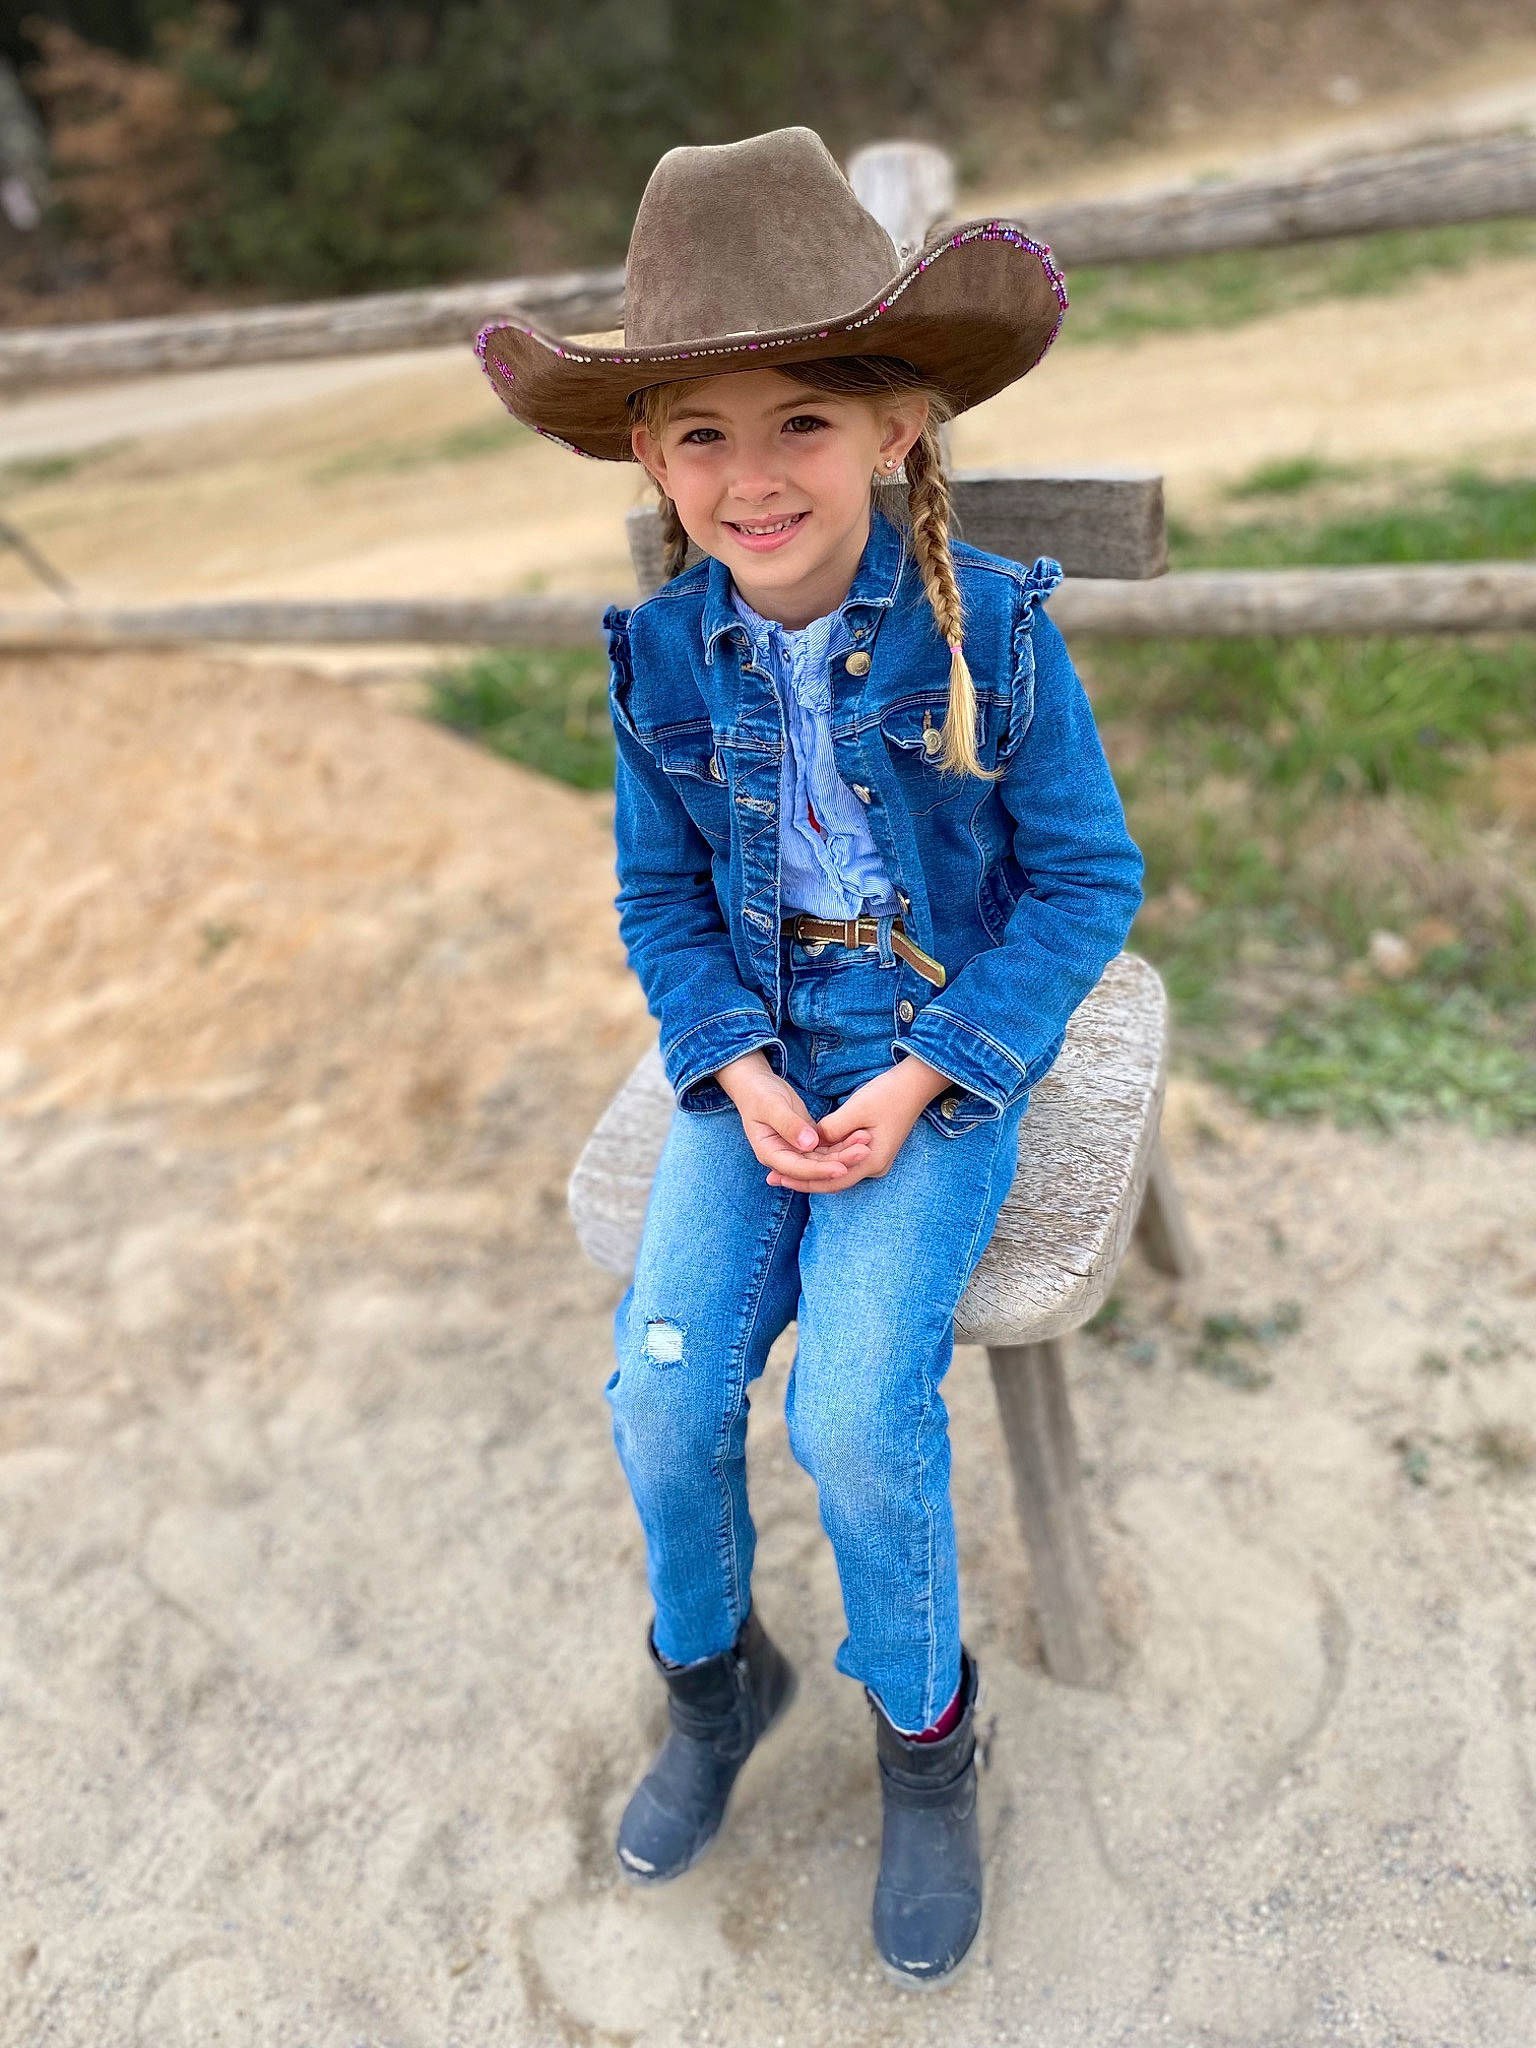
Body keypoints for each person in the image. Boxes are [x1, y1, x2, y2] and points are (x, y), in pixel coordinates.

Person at [477, 126, 1143, 1986]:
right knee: (663, 1393)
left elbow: (1088, 879)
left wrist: (931, 1073)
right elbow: (659, 897)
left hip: (934, 1052)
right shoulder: (657, 659)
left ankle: (927, 1739)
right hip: (760, 1063)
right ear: (649, 457)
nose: (752, 476)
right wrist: (734, 1066)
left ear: (896, 429)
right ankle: (717, 1683)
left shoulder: (991, 634)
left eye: (802, 424)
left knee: (853, 1413)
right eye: (702, 433)